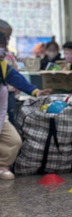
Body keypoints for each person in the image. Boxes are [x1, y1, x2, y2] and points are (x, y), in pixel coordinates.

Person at [0, 31, 49, 180]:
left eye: (3, 46)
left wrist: (34, 91)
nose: (3, 50)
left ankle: (2, 165)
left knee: (13, 141)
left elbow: (16, 78)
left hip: (1, 115)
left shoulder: (2, 66)